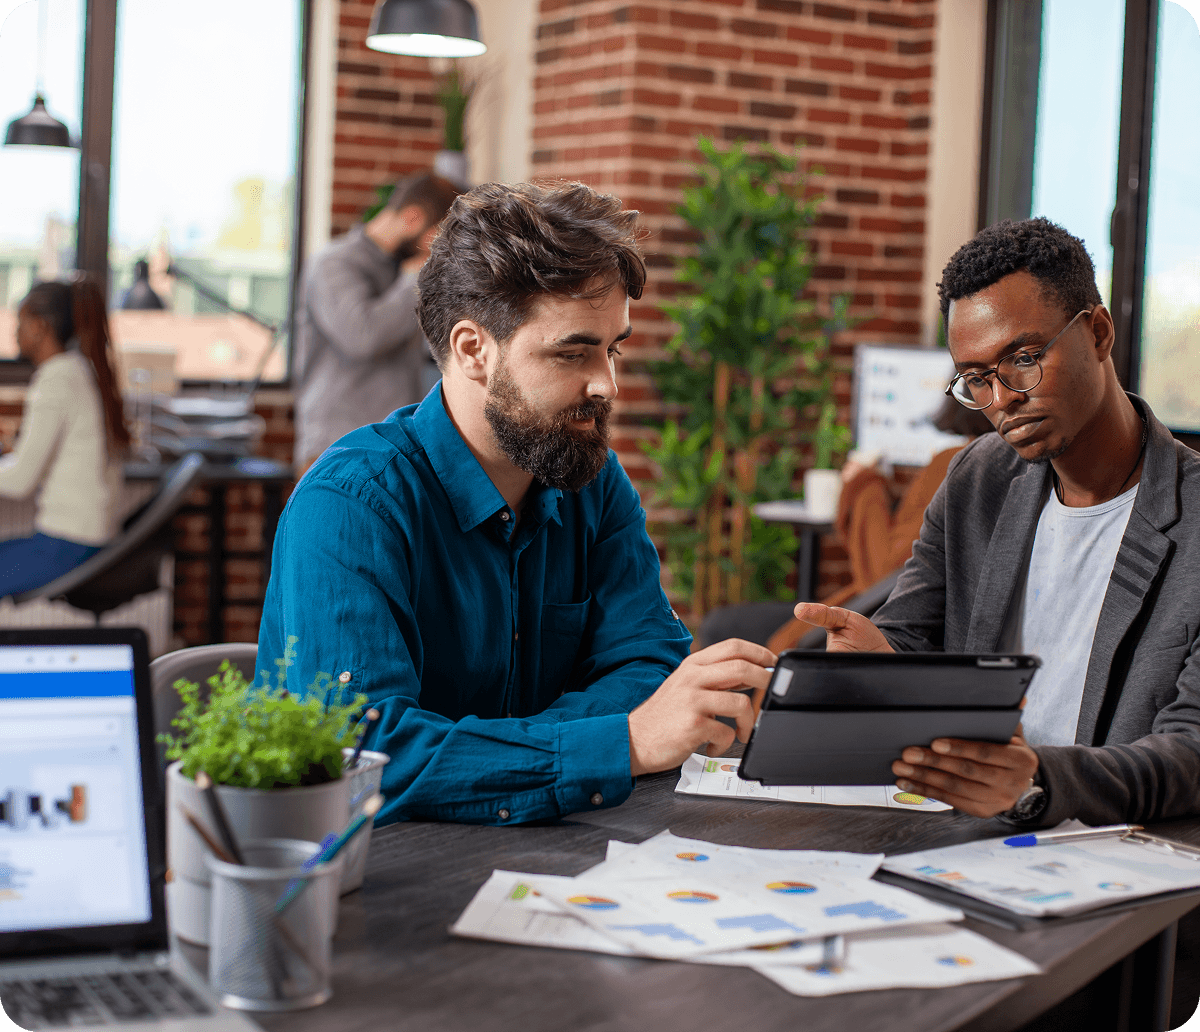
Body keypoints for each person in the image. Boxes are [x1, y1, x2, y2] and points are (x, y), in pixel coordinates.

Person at [259, 181, 775, 826]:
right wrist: (619, 743)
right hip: (379, 868)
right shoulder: (351, 504)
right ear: (474, 349)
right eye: (573, 352)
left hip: (556, 851)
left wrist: (524, 754)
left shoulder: (592, 480)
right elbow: (367, 753)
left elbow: (648, 663)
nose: (607, 384)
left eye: (612, 348)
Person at [794, 217, 1200, 827]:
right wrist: (877, 666)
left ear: (1098, 332)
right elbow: (910, 637)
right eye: (977, 379)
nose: (1003, 398)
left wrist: (1036, 781)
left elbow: (1192, 753)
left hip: (1119, 849)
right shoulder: (977, 479)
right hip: (971, 836)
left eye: (1025, 358)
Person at [760, 398, 994, 653]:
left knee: (745, 628)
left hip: (884, 627)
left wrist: (864, 483)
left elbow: (884, 576)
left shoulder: (957, 463)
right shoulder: (1004, 468)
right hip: (935, 634)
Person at [292, 172, 463, 472]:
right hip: (339, 448)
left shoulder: (400, 268)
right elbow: (362, 336)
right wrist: (416, 279)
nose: (438, 251)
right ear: (412, 218)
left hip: (394, 446)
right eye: (437, 237)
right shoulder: (335, 263)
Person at [1, 276, 129, 594]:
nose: (15, 333)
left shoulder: (56, 379)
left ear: (39, 327)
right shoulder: (79, 369)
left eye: (20, 323)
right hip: (86, 538)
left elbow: (20, 481)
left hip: (68, 545)